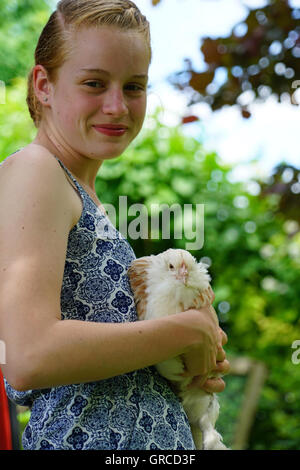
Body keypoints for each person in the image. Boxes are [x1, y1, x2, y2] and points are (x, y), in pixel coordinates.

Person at [0, 0, 229, 450]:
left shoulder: (85, 199)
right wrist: (186, 331)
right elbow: (28, 357)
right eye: (94, 83)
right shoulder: (35, 171)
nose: (117, 106)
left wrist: (189, 358)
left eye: (134, 86)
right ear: (43, 85)